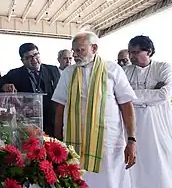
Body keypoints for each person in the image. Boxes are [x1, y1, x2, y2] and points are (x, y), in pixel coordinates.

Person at [52, 31, 136, 188]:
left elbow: (126, 104)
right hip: (74, 142)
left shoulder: (113, 69)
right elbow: (60, 106)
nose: (75, 55)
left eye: (80, 50)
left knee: (110, 181)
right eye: (74, 51)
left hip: (108, 143)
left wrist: (131, 140)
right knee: (79, 180)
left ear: (94, 48)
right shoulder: (68, 73)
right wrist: (58, 141)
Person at [124, 35, 172, 188]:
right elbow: (119, 96)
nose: (131, 56)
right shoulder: (124, 71)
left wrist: (131, 94)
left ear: (148, 51)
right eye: (130, 52)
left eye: (135, 52)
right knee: (133, 168)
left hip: (157, 126)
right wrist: (151, 92)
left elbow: (165, 94)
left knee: (159, 164)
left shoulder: (163, 68)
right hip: (131, 128)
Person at [1, 43, 60, 137]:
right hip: (28, 123)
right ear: (22, 60)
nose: (34, 59)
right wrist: (4, 86)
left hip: (51, 120)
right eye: (29, 57)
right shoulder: (14, 74)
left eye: (36, 55)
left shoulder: (52, 70)